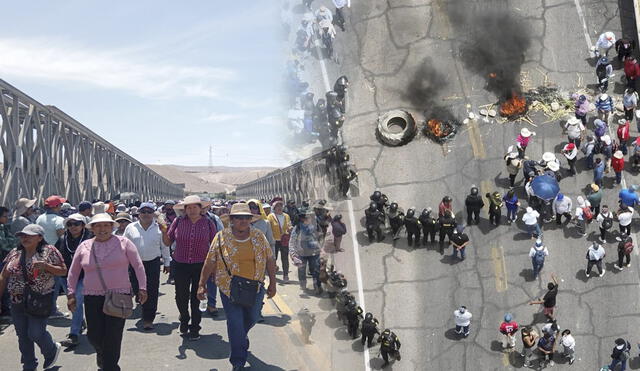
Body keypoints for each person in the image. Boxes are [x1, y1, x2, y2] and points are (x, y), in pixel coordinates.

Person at [196, 202, 276, 371]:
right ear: (231, 220)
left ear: (251, 219)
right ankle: (238, 362)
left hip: (255, 287)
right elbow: (210, 261)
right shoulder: (221, 237)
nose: (242, 221)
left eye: (246, 217)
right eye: (238, 217)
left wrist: (273, 284)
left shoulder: (259, 236)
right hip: (229, 288)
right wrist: (201, 285)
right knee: (234, 323)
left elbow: (269, 259)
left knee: (252, 318)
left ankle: (240, 337)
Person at [66, 213, 146, 371]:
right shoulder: (84, 246)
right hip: (92, 296)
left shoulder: (124, 243)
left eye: (106, 225)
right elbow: (74, 272)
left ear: (112, 227)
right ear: (93, 228)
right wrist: (70, 294)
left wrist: (142, 288)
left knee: (113, 335)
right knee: (94, 335)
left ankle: (110, 366)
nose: (102, 229)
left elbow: (138, 266)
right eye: (98, 226)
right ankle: (103, 356)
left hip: (119, 296)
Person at [0, 224, 66, 370]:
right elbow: (3, 276)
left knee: (35, 333)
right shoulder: (14, 253)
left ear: (40, 237)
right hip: (16, 301)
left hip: (39, 301)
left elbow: (63, 271)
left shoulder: (49, 251)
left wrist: (47, 266)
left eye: (29, 235)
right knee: (23, 336)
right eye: (22, 235)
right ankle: (29, 365)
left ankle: (51, 349)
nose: (25, 238)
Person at [161, 195, 217, 340]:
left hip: (201, 265)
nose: (192, 210)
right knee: (181, 295)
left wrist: (215, 267)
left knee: (197, 296)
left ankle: (195, 327)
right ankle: (184, 319)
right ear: (185, 209)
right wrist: (163, 231)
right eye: (189, 207)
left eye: (195, 207)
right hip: (180, 264)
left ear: (200, 208)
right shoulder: (178, 221)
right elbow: (167, 242)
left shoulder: (208, 223)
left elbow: (215, 245)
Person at [123, 202, 170, 330]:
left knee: (152, 290)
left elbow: (165, 246)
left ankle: (148, 318)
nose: (146, 214)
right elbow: (123, 246)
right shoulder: (131, 228)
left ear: (153, 214)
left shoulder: (159, 228)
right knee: (137, 288)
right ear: (139, 213)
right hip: (134, 264)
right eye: (143, 211)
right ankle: (143, 307)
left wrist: (167, 262)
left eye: (149, 212)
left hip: (153, 263)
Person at [54, 213, 92, 347]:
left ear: (83, 225)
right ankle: (80, 322)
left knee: (75, 300)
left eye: (76, 224)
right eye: (69, 224)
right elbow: (55, 254)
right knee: (75, 302)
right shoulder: (63, 239)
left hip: (85, 275)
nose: (73, 227)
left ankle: (74, 334)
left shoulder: (90, 238)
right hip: (66, 276)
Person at [291, 210, 322, 294]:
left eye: (306, 217)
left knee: (316, 270)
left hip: (314, 252)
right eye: (303, 217)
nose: (305, 219)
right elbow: (292, 241)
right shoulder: (297, 228)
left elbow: (321, 236)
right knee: (301, 270)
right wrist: (293, 253)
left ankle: (317, 286)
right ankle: (303, 285)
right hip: (301, 253)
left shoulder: (315, 226)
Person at [267, 198, 292, 281]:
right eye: (277, 206)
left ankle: (286, 275)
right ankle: (273, 274)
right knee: (273, 258)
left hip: (284, 240)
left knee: (285, 258)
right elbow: (268, 228)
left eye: (281, 205)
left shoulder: (286, 216)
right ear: (274, 207)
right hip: (274, 241)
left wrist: (290, 228)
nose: (279, 207)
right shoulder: (270, 217)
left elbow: (288, 225)